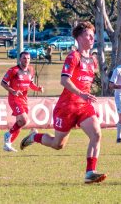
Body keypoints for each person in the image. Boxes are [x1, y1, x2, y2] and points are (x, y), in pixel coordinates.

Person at [20, 21, 106, 184]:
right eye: (88, 35)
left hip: (83, 106)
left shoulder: (93, 61)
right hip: (66, 107)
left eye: (92, 35)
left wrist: (86, 96)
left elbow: (85, 82)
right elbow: (64, 80)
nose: (91, 38)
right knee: (58, 144)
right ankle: (34, 137)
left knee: (96, 134)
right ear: (79, 38)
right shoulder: (74, 56)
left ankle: (90, 172)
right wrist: (82, 93)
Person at [1, 51, 44, 152]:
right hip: (14, 99)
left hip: (24, 100)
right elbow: (3, 83)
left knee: (20, 123)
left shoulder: (31, 70)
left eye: (28, 58)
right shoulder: (13, 70)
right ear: (20, 59)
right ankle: (8, 134)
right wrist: (13, 91)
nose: (26, 60)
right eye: (24, 58)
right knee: (24, 120)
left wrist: (38, 88)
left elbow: (30, 84)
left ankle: (8, 144)